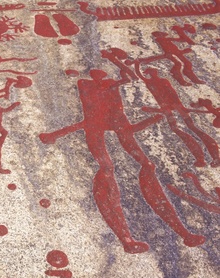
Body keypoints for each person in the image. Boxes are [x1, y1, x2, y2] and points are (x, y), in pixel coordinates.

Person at [40, 69, 205, 253]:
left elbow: (122, 125)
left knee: (145, 166)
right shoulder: (89, 89)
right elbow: (93, 117)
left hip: (112, 124)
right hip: (102, 125)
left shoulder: (113, 109)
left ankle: (182, 233)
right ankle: (126, 239)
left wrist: (152, 118)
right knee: (107, 169)